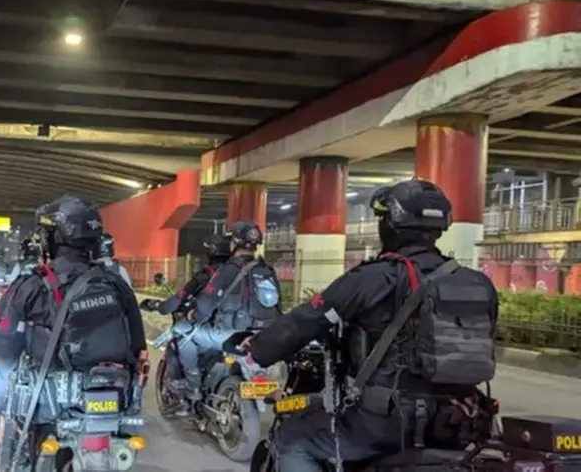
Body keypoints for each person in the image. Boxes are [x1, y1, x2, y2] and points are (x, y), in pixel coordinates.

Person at [244, 180, 499, 472]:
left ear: (390, 223)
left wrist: (259, 350)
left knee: (293, 438)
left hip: (387, 423)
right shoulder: (479, 283)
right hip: (460, 420)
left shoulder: (372, 278)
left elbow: (306, 320)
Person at [0, 195, 147, 469]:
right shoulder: (116, 284)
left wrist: (1, 403)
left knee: (2, 400)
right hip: (112, 397)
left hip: (49, 403)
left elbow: (5, 341)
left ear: (53, 238)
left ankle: (4, 459)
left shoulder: (32, 285)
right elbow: (139, 346)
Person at [172, 221, 281, 408]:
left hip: (231, 335)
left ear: (234, 243)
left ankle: (193, 386)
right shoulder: (267, 271)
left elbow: (206, 302)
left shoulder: (227, 270)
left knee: (183, 332)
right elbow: (277, 305)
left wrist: (193, 315)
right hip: (260, 336)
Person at [139, 232, 232, 410]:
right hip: (234, 331)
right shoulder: (237, 275)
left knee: (183, 339)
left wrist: (158, 306)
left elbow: (177, 299)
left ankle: (193, 386)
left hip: (208, 330)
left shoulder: (206, 276)